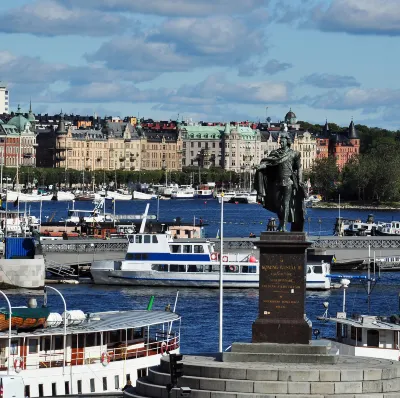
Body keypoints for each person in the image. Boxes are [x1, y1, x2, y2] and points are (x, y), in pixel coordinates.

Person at [254, 125, 306, 232]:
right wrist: (260, 167)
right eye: (280, 141)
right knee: (277, 204)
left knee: (286, 203)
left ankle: (283, 226)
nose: (281, 143)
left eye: (282, 141)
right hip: (277, 182)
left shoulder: (293, 154)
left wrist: (300, 180)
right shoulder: (275, 154)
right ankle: (282, 222)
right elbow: (268, 164)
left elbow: (299, 168)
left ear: (287, 141)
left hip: (288, 182)